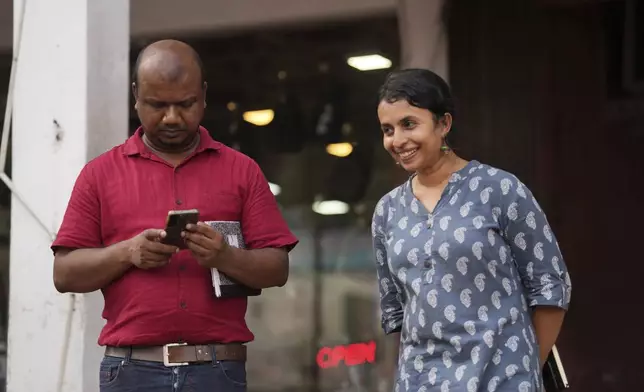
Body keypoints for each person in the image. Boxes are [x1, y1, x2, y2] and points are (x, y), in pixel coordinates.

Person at [51, 39, 298, 392]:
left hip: (217, 370)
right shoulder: (99, 174)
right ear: (135, 95)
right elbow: (64, 274)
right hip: (131, 370)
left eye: (185, 104)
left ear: (204, 94)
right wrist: (127, 252)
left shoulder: (241, 171)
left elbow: (277, 268)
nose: (171, 117)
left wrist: (224, 256)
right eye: (157, 104)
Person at [371, 68, 571, 392]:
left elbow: (551, 287)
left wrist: (524, 369)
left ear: (443, 123)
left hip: (501, 381)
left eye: (409, 124)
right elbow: (398, 312)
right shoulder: (387, 212)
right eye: (388, 129)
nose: (397, 140)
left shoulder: (499, 190)